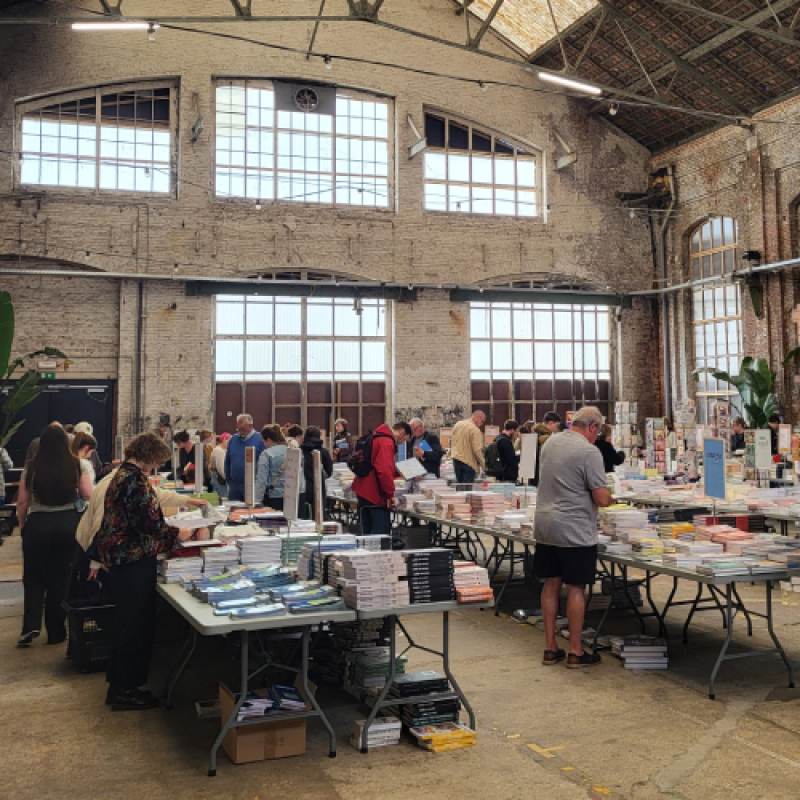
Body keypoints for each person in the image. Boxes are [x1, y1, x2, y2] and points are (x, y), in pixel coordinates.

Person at [93, 433, 195, 711]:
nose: (156, 467)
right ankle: (128, 689)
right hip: (132, 560)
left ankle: (120, 684)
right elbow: (148, 524)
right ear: (150, 456)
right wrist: (180, 533)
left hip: (121, 559)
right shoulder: (134, 480)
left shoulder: (121, 475)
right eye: (157, 462)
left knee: (126, 623)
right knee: (135, 626)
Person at [532, 406, 614, 669]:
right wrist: (613, 499)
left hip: (545, 525)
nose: (597, 437)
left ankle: (550, 647)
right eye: (597, 432)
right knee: (576, 588)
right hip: (574, 529)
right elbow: (600, 497)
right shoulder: (589, 451)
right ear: (592, 427)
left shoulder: (551, 443)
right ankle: (576, 651)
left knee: (550, 584)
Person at [15, 426, 93, 647]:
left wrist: (23, 525)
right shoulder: (78, 464)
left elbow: (22, 501)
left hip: (38, 524)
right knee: (61, 578)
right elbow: (88, 493)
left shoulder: (31, 467)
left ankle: (30, 626)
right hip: (68, 524)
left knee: (33, 576)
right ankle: (56, 632)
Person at [352, 422, 398, 536]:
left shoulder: (374, 437)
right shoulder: (386, 442)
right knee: (379, 539)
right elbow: (384, 470)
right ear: (402, 433)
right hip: (375, 496)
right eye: (403, 440)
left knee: (365, 536)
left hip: (362, 490)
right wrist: (389, 495)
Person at [224, 414, 265, 501]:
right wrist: (229, 480)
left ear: (250, 425)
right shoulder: (233, 439)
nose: (239, 431)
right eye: (238, 429)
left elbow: (264, 462)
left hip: (252, 485)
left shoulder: (260, 439)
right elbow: (227, 460)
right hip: (234, 486)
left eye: (242, 429)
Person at [299, 426, 333, 520]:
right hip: (319, 487)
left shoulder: (300, 451)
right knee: (318, 516)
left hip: (303, 488)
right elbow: (329, 471)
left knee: (303, 517)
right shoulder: (324, 452)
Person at [255, 425, 290, 511]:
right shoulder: (294, 451)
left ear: (269, 439)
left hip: (275, 496)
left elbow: (261, 480)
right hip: (294, 496)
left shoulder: (266, 454)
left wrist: (256, 501)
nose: (263, 444)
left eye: (264, 441)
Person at [449, 410, 486, 484]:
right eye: (482, 421)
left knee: (459, 486)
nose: (481, 424)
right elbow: (477, 450)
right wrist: (483, 464)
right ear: (477, 417)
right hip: (468, 462)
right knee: (467, 488)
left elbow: (450, 440)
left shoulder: (458, 424)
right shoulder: (475, 430)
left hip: (456, 459)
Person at [530, 412, 562, 486]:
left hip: (533, 476)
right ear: (551, 423)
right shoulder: (548, 438)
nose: (558, 427)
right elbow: (548, 459)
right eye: (557, 425)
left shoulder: (534, 434)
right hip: (543, 477)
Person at [210, 432, 230, 499]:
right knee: (222, 499)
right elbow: (221, 468)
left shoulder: (220, 450)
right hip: (219, 480)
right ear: (224, 439)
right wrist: (228, 479)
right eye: (228, 441)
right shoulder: (219, 451)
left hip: (217, 479)